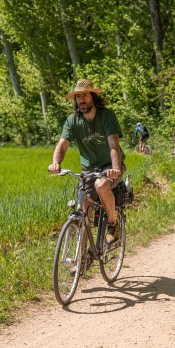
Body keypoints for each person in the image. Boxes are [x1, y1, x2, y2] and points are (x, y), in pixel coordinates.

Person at [49, 80, 126, 242]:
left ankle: (112, 223)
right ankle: (81, 260)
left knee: (101, 185)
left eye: (84, 95)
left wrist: (115, 168)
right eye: (78, 97)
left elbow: (114, 144)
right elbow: (62, 145)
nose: (81, 100)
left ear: (93, 96)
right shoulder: (73, 120)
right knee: (83, 211)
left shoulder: (107, 116)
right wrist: (56, 163)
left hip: (109, 166)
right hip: (88, 170)